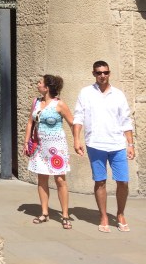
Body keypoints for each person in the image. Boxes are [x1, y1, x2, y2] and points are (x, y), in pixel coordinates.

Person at [73, 60, 134, 233]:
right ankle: (104, 216)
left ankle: (120, 214)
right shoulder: (86, 93)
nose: (102, 76)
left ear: (109, 73)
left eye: (105, 72)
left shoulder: (118, 95)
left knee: (123, 181)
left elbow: (126, 120)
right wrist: (76, 140)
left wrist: (130, 144)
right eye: (99, 73)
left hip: (117, 144)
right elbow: (78, 117)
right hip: (95, 144)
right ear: (94, 74)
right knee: (100, 181)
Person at [23, 74, 75, 229]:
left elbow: (73, 123)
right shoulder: (36, 102)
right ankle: (44, 212)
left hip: (56, 148)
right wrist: (26, 142)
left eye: (40, 82)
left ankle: (65, 215)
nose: (37, 84)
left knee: (60, 180)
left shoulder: (59, 104)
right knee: (42, 179)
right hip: (40, 146)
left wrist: (77, 141)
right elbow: (30, 122)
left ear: (47, 87)